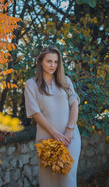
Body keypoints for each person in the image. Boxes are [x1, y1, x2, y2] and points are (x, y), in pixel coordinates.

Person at [24, 45, 81, 187]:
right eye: (49, 61)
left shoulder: (65, 81)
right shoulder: (31, 84)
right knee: (48, 181)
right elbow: (35, 113)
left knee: (67, 178)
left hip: (70, 138)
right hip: (46, 139)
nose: (53, 65)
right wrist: (54, 133)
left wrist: (69, 130)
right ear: (41, 62)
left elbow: (74, 105)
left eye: (56, 62)